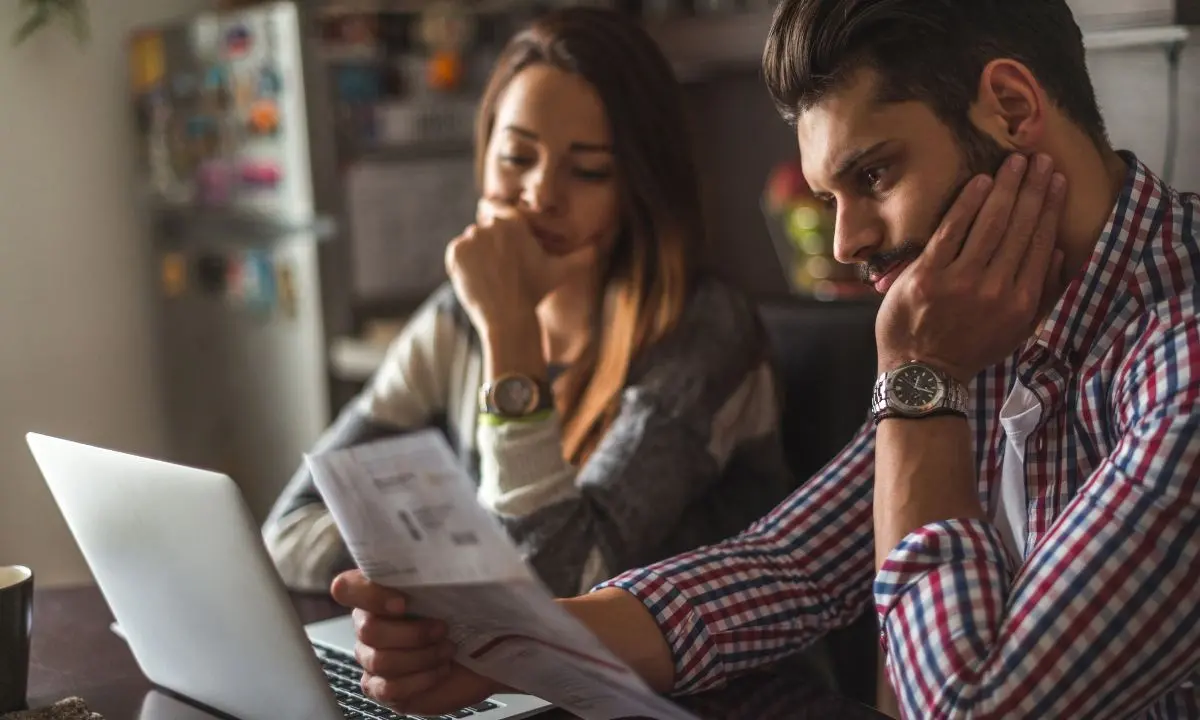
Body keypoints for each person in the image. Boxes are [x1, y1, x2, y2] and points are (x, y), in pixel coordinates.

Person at [330, 0, 1200, 717]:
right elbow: (784, 569)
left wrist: (918, 384)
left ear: (1012, 109)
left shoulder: (1170, 352)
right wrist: (494, 645)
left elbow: (963, 709)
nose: (850, 240)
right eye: (830, 196)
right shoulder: (986, 314)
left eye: (874, 176)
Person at [263, 7, 796, 601]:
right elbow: (289, 531)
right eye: (517, 159)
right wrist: (466, 565)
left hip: (711, 692)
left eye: (589, 171)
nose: (541, 195)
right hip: (519, 678)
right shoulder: (457, 316)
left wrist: (509, 328)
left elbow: (560, 582)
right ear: (485, 158)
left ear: (640, 187)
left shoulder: (704, 334)